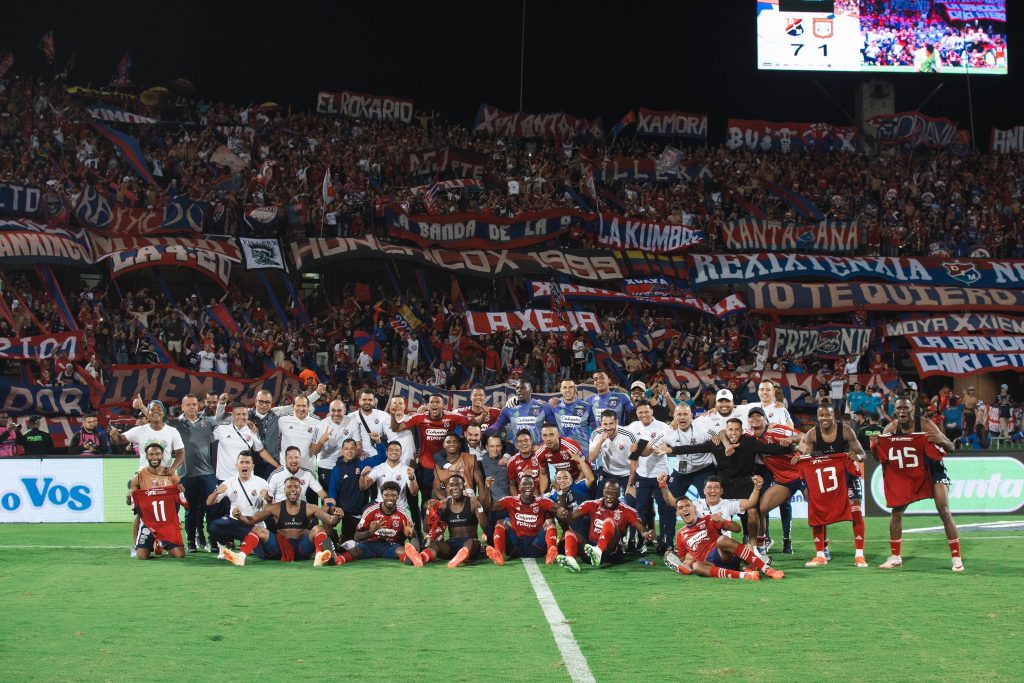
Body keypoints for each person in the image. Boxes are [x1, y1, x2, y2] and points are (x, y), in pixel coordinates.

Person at [665, 417, 794, 546]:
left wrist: (789, 447)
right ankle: (717, 545)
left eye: (737, 430)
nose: (733, 433)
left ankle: (753, 546)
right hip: (724, 486)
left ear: (742, 431)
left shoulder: (750, 442)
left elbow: (771, 449)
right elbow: (694, 448)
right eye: (730, 429)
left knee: (753, 512)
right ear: (725, 431)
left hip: (745, 484)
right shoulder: (716, 443)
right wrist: (672, 450)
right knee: (718, 517)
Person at [874, 397, 963, 572]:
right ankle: (895, 557)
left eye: (905, 408)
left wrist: (940, 440)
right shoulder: (890, 428)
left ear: (912, 409)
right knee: (896, 513)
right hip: (909, 474)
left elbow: (951, 447)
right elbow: (880, 458)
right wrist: (874, 446)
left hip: (932, 470)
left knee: (943, 509)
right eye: (899, 408)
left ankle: (956, 558)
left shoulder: (926, 424)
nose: (902, 412)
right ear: (894, 410)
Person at [798, 403, 867, 568]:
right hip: (826, 480)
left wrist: (856, 457)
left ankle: (859, 555)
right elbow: (806, 458)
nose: (824, 418)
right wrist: (799, 459)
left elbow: (863, 454)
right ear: (817, 417)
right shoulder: (812, 434)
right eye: (821, 415)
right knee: (818, 511)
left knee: (856, 510)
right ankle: (820, 554)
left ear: (834, 416)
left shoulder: (846, 430)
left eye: (828, 415)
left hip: (848, 477)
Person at [219, 476, 342, 566]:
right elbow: (252, 520)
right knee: (258, 529)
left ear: (301, 490)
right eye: (289, 486)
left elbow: (331, 520)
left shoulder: (311, 507)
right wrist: (240, 516)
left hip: (302, 549)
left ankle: (319, 556)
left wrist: (338, 515)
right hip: (280, 548)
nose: (293, 489)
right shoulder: (274, 507)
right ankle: (241, 557)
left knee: (318, 529)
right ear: (284, 489)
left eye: (296, 487)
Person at [663, 498, 783, 581]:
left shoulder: (708, 519)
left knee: (721, 540)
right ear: (678, 513)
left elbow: (738, 528)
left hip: (723, 554)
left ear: (694, 508)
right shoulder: (680, 534)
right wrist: (685, 565)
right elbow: (684, 560)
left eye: (687, 505)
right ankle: (746, 574)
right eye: (681, 508)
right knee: (697, 567)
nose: (685, 509)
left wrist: (722, 522)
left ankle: (766, 569)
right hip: (710, 564)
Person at [390, 393, 475, 506]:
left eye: (437, 402)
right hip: (426, 466)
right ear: (428, 405)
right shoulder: (419, 418)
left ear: (443, 405)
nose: (434, 404)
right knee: (426, 498)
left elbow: (472, 422)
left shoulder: (452, 417)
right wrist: (392, 414)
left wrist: (466, 434)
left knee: (446, 497)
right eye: (432, 402)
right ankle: (427, 521)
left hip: (446, 466)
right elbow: (396, 428)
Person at [168, 393, 226, 552]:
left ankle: (213, 542)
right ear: (182, 407)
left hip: (207, 473)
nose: (192, 407)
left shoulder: (208, 422)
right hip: (185, 475)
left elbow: (225, 423)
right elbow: (157, 421)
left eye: (194, 404)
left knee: (212, 508)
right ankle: (191, 541)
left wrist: (247, 422)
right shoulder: (176, 425)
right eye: (188, 404)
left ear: (199, 406)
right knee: (190, 511)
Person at [555, 480, 654, 570]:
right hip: (591, 550)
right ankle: (571, 560)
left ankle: (598, 551)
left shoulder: (628, 511)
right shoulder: (592, 504)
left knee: (609, 521)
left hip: (612, 552)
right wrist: (561, 497)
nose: (609, 496)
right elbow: (570, 517)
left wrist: (647, 534)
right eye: (607, 492)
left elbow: (642, 530)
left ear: (619, 494)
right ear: (603, 492)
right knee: (570, 533)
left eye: (613, 493)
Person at [333, 481, 422, 566]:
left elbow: (414, 541)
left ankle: (410, 559)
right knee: (355, 551)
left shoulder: (403, 515)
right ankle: (336, 560)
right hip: (369, 545)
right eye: (386, 495)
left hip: (391, 546)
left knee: (403, 551)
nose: (390, 498)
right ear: (382, 496)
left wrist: (411, 535)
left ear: (398, 496)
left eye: (393, 495)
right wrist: (370, 532)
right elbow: (356, 536)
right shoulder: (371, 511)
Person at [625, 401, 673, 552]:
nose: (644, 415)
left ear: (652, 411)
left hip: (660, 475)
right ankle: (642, 540)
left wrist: (666, 448)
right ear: (637, 414)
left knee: (664, 509)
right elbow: (631, 450)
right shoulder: (632, 427)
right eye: (640, 413)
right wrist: (631, 447)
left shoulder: (663, 428)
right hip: (642, 474)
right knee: (641, 510)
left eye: (646, 411)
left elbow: (672, 445)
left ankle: (666, 541)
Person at [654, 403, 717, 518]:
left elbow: (718, 438)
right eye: (679, 414)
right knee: (669, 503)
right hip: (682, 469)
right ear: (674, 416)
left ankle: (714, 533)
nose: (682, 417)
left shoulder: (703, 427)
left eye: (685, 414)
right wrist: (650, 449)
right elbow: (650, 446)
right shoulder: (668, 431)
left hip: (703, 468)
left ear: (691, 416)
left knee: (712, 503)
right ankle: (667, 536)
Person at [481, 473, 558, 565]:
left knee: (550, 523)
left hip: (537, 546)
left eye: (530, 484)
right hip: (516, 546)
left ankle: (551, 553)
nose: (528, 487)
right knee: (500, 522)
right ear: (519, 487)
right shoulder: (511, 501)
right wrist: (487, 488)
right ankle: (499, 554)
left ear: (535, 487)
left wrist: (560, 497)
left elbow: (557, 508)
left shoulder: (542, 501)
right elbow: (487, 507)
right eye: (524, 484)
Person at [129, 442, 188, 560]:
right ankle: (142, 544)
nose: (154, 457)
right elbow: (131, 502)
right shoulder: (139, 477)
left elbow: (182, 499)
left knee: (179, 555)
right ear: (146, 456)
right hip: (149, 523)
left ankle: (162, 543)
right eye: (151, 454)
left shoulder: (172, 475)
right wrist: (128, 496)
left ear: (162, 456)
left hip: (168, 524)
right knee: (142, 556)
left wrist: (182, 491)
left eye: (157, 454)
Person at [420, 473, 489, 568]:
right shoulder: (443, 505)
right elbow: (427, 529)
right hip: (452, 544)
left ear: (464, 486)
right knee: (436, 545)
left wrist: (480, 508)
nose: (455, 488)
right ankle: (421, 558)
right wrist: (429, 511)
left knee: (472, 543)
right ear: (448, 487)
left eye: (458, 485)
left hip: (469, 542)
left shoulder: (473, 502)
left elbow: (485, 527)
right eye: (452, 485)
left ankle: (459, 558)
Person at [207, 451, 270, 550]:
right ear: (237, 465)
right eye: (242, 462)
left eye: (247, 462)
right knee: (214, 527)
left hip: (253, 523)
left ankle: (249, 542)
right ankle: (226, 544)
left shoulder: (262, 483)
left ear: (252, 466)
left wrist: (266, 498)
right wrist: (216, 492)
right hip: (235, 522)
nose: (245, 465)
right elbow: (209, 502)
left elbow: (268, 507)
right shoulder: (228, 483)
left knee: (264, 552)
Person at [110, 399, 185, 472]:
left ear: (163, 413)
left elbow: (181, 453)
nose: (155, 411)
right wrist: (114, 436)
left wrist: (173, 468)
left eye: (159, 409)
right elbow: (118, 440)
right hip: (144, 477)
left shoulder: (172, 431)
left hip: (164, 477)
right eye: (152, 409)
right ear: (148, 414)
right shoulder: (139, 430)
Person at [328, 438, 379, 542]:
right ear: (342, 451)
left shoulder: (362, 464)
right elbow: (332, 492)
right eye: (346, 449)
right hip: (344, 513)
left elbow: (382, 457)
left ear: (356, 450)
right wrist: (332, 507)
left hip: (362, 513)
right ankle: (331, 537)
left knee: (359, 544)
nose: (349, 451)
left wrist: (378, 442)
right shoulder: (337, 470)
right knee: (326, 509)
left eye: (352, 448)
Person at [213, 405, 278, 480]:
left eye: (244, 414)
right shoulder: (222, 428)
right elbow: (209, 432)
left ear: (247, 415)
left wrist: (277, 465)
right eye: (238, 414)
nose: (241, 417)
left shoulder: (252, 431)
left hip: (246, 478)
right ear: (233, 415)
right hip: (224, 478)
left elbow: (261, 450)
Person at [309, 399, 360, 495]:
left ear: (345, 411)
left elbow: (358, 446)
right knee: (329, 497)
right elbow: (314, 451)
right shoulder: (321, 425)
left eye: (339, 410)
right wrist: (322, 441)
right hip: (326, 466)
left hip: (345, 465)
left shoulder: (353, 423)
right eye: (333, 410)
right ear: (329, 411)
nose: (336, 413)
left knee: (344, 495)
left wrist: (349, 453)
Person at [486, 381, 556, 444]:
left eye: (523, 388)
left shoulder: (543, 406)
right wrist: (483, 434)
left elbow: (554, 427)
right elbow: (497, 425)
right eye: (517, 388)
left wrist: (544, 445)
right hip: (518, 452)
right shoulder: (509, 408)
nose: (519, 390)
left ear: (531, 390)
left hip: (537, 451)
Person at [266, 446, 336, 508]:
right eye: (290, 458)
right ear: (285, 459)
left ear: (300, 459)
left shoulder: (307, 473)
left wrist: (326, 498)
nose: (294, 460)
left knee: (318, 509)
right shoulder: (275, 474)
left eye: (296, 457)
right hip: (280, 510)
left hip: (300, 510)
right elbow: (267, 495)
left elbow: (320, 491)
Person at [360, 440, 419, 513]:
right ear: (386, 452)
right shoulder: (378, 468)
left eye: (397, 450)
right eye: (391, 450)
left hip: (399, 508)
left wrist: (412, 479)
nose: (394, 452)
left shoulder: (407, 470)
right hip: (380, 506)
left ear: (401, 453)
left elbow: (414, 492)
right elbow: (363, 487)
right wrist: (362, 476)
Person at [588, 409, 637, 495]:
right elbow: (591, 458)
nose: (608, 427)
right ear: (601, 423)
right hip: (607, 473)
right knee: (599, 501)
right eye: (605, 424)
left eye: (611, 423)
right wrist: (600, 442)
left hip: (626, 474)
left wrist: (630, 484)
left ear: (616, 422)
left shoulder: (628, 435)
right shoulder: (596, 434)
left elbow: (635, 462)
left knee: (631, 502)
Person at [479, 433, 512, 540]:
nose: (495, 449)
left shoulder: (509, 460)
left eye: (498, 446)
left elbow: (512, 446)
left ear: (502, 447)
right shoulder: (480, 462)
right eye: (492, 446)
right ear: (487, 447)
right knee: (491, 539)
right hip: (490, 506)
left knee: (507, 536)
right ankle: (488, 531)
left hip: (507, 506)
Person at [431, 434, 482, 501]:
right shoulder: (438, 466)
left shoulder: (470, 458)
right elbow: (436, 490)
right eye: (448, 442)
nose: (452, 444)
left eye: (455, 442)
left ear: (459, 445)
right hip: (450, 500)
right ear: (444, 445)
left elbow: (480, 483)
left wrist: (481, 500)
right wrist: (448, 503)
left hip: (469, 500)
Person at [550, 378, 597, 445]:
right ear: (560, 390)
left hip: (583, 451)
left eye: (571, 387)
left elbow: (594, 428)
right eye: (564, 387)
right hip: (564, 451)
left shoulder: (587, 407)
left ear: (575, 389)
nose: (568, 390)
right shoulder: (554, 405)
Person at [506, 430, 548, 495]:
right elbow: (512, 485)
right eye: (520, 441)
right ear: (516, 445)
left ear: (531, 442)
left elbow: (545, 476)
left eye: (526, 440)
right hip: (522, 499)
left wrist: (542, 497)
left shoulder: (539, 456)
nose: (524, 443)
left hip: (540, 496)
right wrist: (516, 501)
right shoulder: (512, 462)